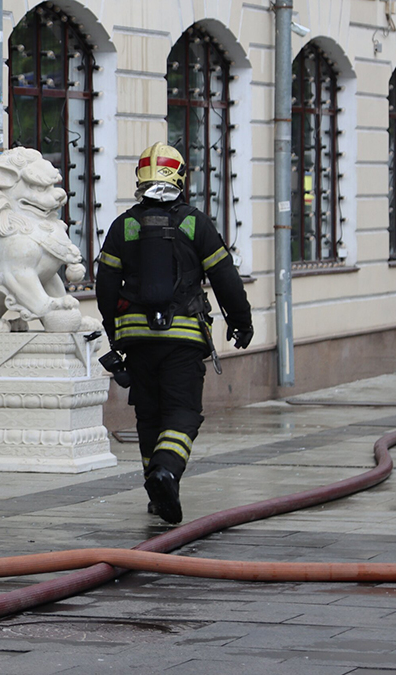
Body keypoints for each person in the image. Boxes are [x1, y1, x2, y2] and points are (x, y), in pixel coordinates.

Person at [95, 142, 252, 525]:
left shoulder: (124, 225)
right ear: (181, 178)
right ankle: (166, 471)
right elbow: (225, 277)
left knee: (149, 416)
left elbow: (105, 288)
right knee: (182, 413)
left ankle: (157, 489)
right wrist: (240, 321)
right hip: (183, 338)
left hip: (137, 341)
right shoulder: (194, 222)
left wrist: (115, 335)